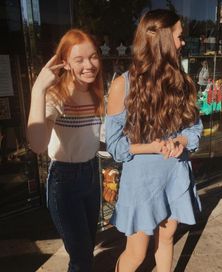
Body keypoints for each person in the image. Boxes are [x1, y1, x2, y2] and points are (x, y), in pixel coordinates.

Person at [105, 9, 203, 272]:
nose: (182, 43)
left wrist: (180, 141)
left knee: (167, 238)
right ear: (161, 39)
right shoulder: (122, 86)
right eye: (179, 36)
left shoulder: (183, 83)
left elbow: (195, 130)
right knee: (136, 254)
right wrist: (151, 146)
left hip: (174, 174)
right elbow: (114, 145)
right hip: (142, 183)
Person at [27, 29, 104, 272]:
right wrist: (38, 89)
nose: (89, 65)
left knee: (87, 248)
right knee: (81, 259)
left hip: (92, 174)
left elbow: (101, 137)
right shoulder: (56, 96)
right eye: (79, 59)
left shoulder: (96, 91)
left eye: (93, 57)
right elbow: (37, 145)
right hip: (65, 182)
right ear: (66, 63)